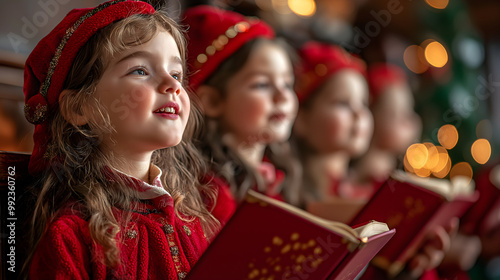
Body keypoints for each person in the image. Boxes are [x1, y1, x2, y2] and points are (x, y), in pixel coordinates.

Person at [23, 1, 218, 278]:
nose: (173, 85)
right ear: (79, 108)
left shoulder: (193, 220)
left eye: (176, 74)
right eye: (140, 70)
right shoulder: (72, 234)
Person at [293, 42, 452, 279]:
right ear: (301, 117)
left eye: (364, 104)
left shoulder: (358, 192)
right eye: (342, 103)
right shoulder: (288, 191)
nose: (359, 115)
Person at [182, 6, 300, 225]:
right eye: (262, 85)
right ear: (212, 101)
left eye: (287, 83)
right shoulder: (213, 194)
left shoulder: (272, 176)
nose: (283, 96)